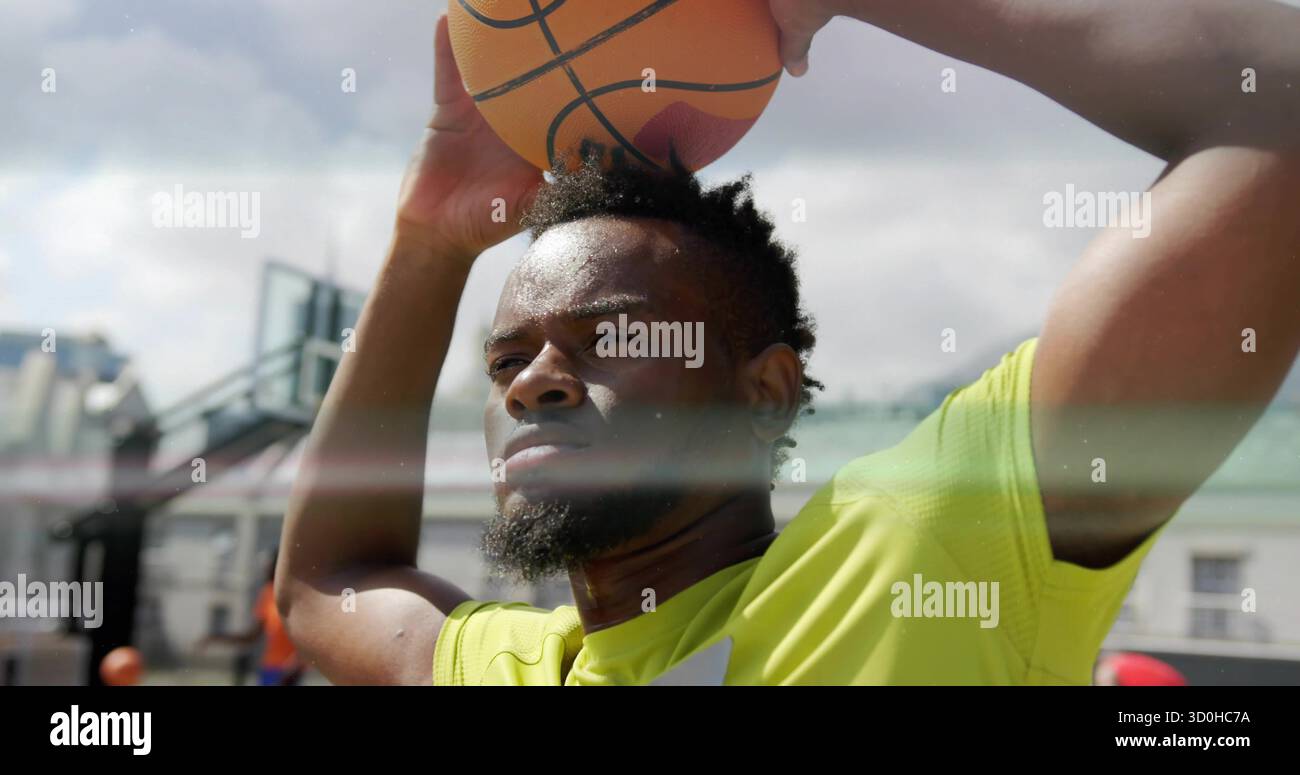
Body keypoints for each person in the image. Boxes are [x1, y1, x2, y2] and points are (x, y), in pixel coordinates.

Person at [276, 2, 1300, 684]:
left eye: (611, 338)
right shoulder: (525, 666)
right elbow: (323, 587)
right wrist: (434, 235)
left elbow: (1279, 100)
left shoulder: (924, 541)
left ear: (765, 391)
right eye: (508, 360)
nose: (536, 381)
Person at [201, 550, 302, 686]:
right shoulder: (267, 593)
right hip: (270, 667)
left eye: (270, 563)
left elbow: (307, 637)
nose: (265, 567)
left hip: (289, 671)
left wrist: (296, 663)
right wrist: (216, 637)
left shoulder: (297, 594)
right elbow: (252, 636)